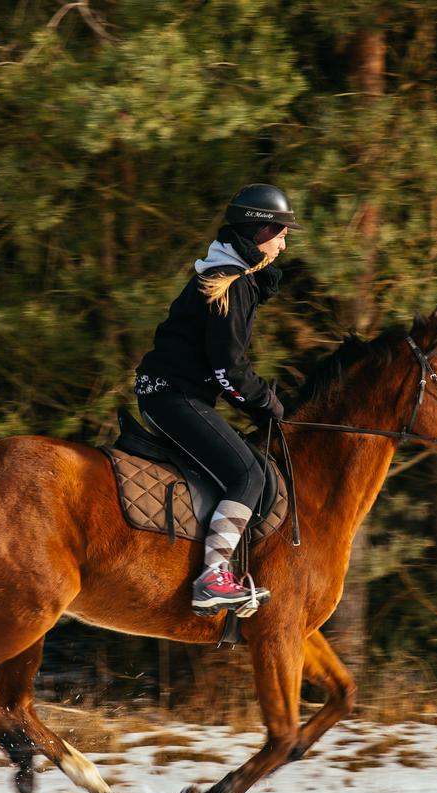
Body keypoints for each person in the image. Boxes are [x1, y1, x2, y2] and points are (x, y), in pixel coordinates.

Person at [134, 183, 300, 616]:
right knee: (249, 473)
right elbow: (229, 368)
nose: (285, 242)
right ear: (260, 231)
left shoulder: (229, 276)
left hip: (170, 393)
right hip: (174, 397)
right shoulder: (230, 283)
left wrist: (256, 402)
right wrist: (268, 406)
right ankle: (213, 576)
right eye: (282, 233)